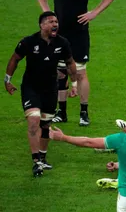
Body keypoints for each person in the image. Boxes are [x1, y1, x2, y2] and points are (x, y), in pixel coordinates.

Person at [36, 0, 117, 126]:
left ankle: (84, 113)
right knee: (59, 73)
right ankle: (62, 112)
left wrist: (94, 13)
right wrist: (47, 13)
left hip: (79, 34)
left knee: (80, 73)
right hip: (58, 34)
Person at [4, 11, 77, 177]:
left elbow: (70, 62)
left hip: (50, 89)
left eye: (56, 21)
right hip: (31, 87)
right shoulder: (28, 42)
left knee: (45, 124)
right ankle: (36, 160)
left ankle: (43, 157)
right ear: (42, 25)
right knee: (33, 119)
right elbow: (15, 59)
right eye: (51, 21)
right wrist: (7, 80)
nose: (55, 24)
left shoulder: (62, 43)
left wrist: (74, 84)